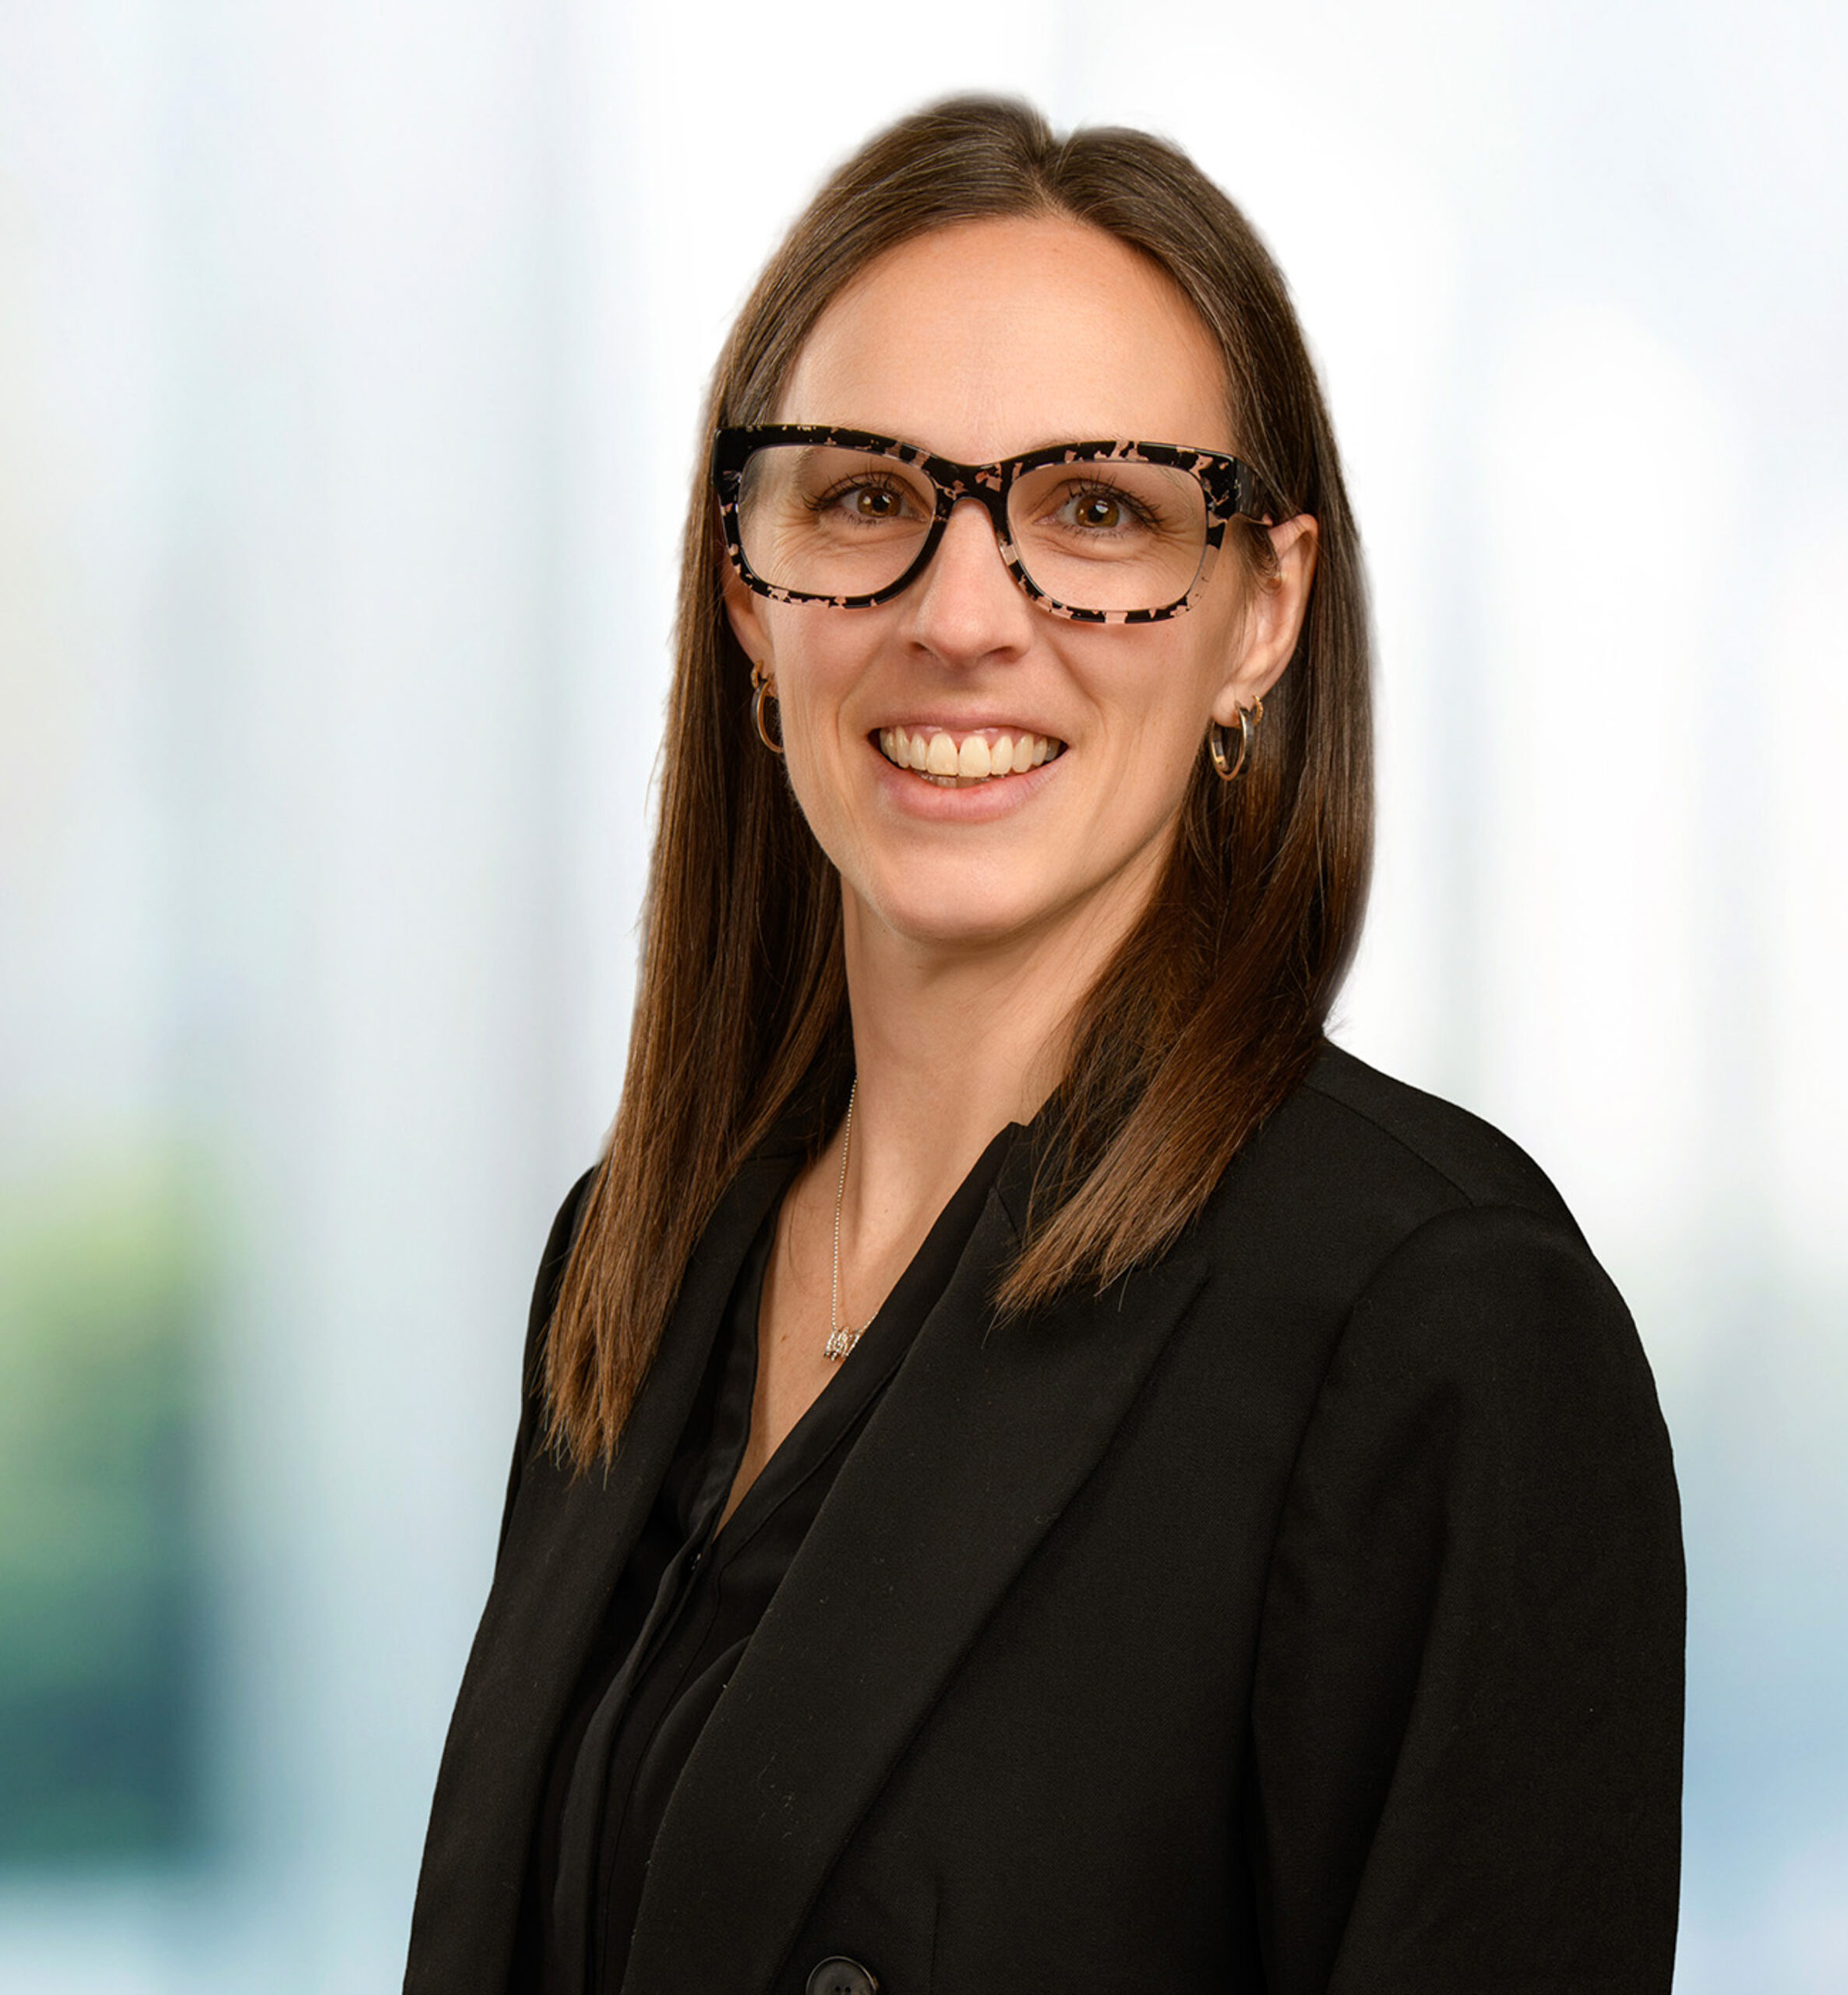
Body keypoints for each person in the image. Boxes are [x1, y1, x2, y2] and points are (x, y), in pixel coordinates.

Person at [404, 97, 1684, 1995]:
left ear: (1259, 613)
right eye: (864, 498)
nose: (959, 617)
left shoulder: (1438, 1326)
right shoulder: (635, 1257)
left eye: (1097, 511)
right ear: (747, 588)